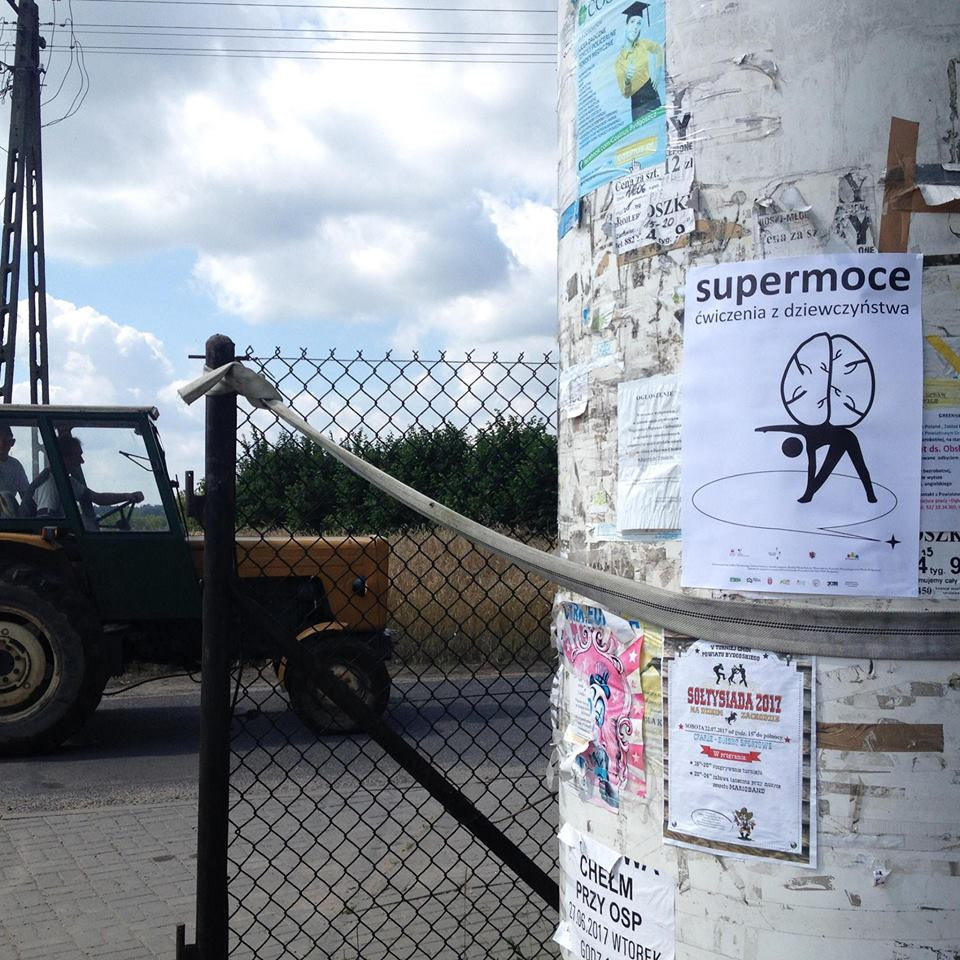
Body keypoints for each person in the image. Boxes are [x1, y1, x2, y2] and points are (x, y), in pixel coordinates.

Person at [34, 434, 144, 529]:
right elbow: (45, 523)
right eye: (77, 456)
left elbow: (98, 498)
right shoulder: (49, 484)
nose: (82, 461)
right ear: (64, 457)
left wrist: (127, 496)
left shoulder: (66, 482)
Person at [614, 2, 664, 122]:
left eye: (639, 23)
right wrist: (627, 81)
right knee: (644, 131)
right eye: (632, 22)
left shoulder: (643, 44)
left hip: (652, 95)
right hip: (638, 103)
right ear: (626, 25)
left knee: (659, 125)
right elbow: (626, 94)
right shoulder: (620, 61)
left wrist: (658, 74)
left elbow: (659, 49)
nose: (636, 27)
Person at [0, 425, 30, 517]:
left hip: (10, 516)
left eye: (5, 441)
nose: (1, 445)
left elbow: (25, 495)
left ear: (12, 443)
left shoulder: (16, 466)